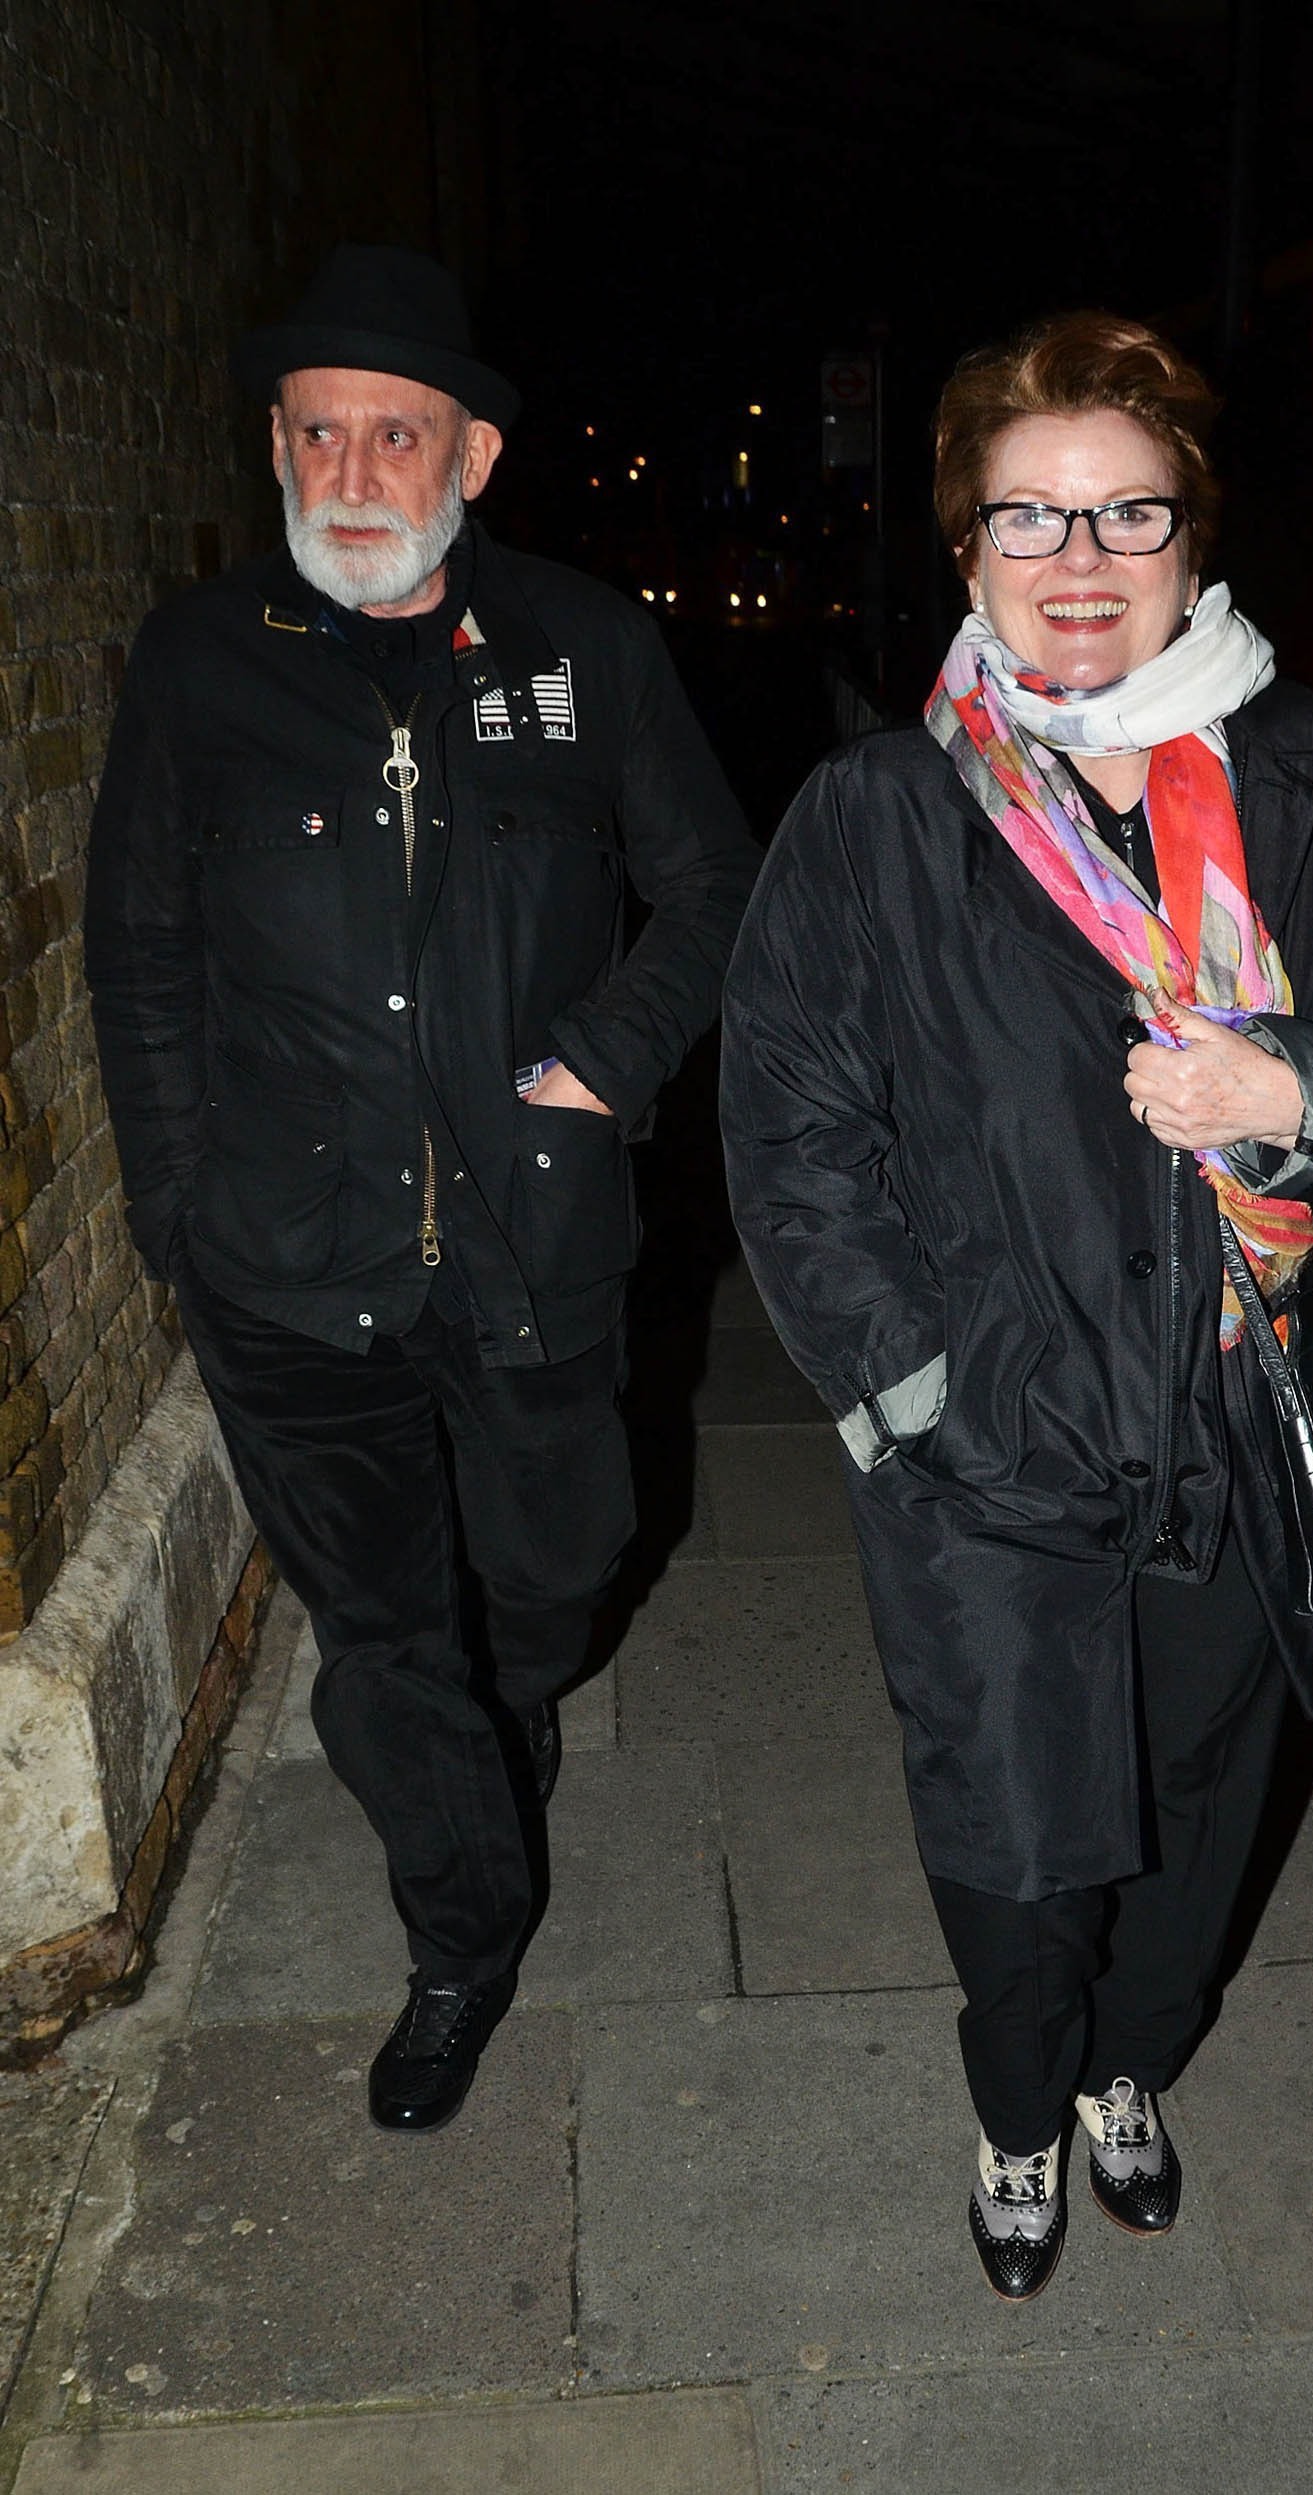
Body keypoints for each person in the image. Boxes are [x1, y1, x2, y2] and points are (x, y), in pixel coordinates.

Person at [720, 312, 1313, 2302]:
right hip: (998, 1449)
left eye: (1126, 513)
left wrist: (1304, 1088)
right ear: (967, 547)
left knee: (1202, 1820)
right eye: (1030, 519)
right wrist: (914, 1404)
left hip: (1249, 1416)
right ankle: (1017, 2109)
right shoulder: (882, 821)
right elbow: (797, 1139)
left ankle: (1134, 2075)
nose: (1080, 561)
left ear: (1192, 530)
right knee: (1016, 1849)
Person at [85, 246, 758, 2135]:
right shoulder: (201, 660)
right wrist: (173, 1208)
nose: (353, 472)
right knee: (383, 1641)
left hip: (535, 1241)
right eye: (318, 434)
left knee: (558, 1571)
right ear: (276, 451)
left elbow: (714, 887)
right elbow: (136, 950)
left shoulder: (583, 642)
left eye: (397, 434)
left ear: (471, 455)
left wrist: (612, 1055)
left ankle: (507, 1704)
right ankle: (461, 1936)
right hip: (289, 1262)